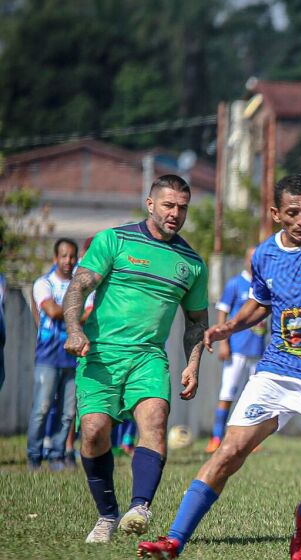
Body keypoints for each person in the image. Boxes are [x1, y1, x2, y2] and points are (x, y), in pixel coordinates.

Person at [138, 174, 301, 560]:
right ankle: (174, 540)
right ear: (275, 213)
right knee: (229, 451)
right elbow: (261, 303)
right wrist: (230, 326)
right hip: (277, 372)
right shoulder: (264, 255)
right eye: (293, 213)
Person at [62, 175, 209, 544]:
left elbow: (196, 322)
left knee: (155, 421)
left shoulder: (191, 263)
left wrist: (193, 364)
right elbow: (79, 285)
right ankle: (107, 514)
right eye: (168, 205)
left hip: (148, 357)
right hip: (101, 354)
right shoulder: (115, 240)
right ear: (150, 204)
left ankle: (140, 507)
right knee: (94, 432)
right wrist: (75, 330)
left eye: (183, 207)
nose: (176, 214)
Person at [26, 238, 84, 471]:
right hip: (48, 358)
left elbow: (90, 311)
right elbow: (50, 310)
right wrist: (75, 314)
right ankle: (33, 456)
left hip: (73, 358)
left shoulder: (81, 286)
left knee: (68, 413)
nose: (68, 261)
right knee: (42, 408)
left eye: (72, 256)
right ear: (55, 258)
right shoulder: (44, 283)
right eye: (63, 256)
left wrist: (71, 313)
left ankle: (57, 456)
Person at [204, 246, 266, 453]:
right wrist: (224, 342)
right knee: (227, 394)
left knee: (255, 398)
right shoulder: (235, 284)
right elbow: (223, 311)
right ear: (246, 260)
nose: (254, 262)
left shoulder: (265, 284)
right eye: (251, 258)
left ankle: (251, 440)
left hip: (257, 351)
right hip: (237, 349)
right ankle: (216, 437)